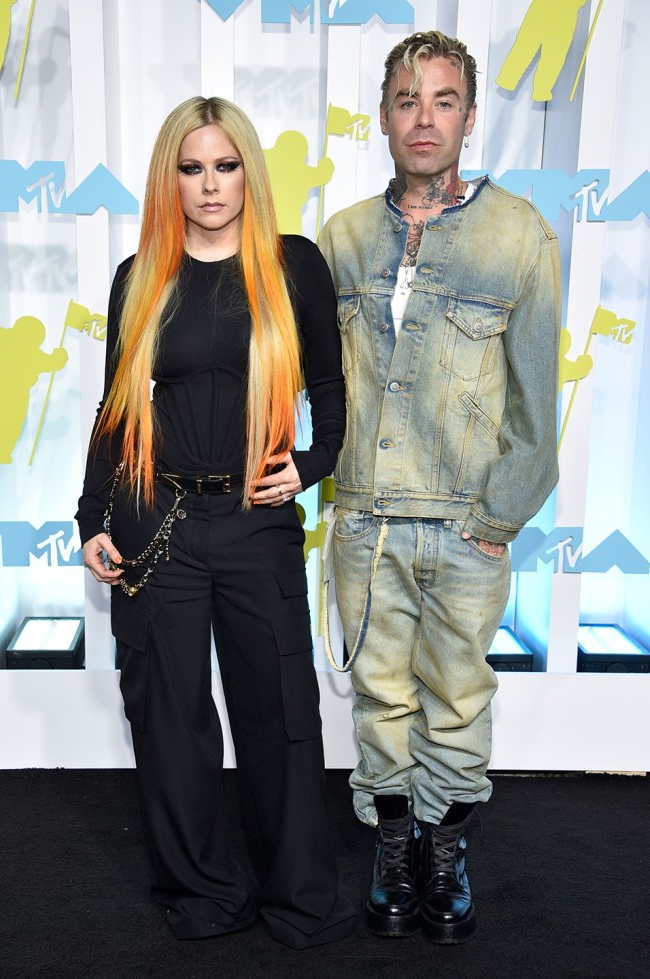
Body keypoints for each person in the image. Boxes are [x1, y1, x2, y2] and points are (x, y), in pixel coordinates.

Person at [76, 96, 356, 950]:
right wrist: (91, 515)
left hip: (254, 519)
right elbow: (117, 407)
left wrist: (312, 463)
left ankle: (297, 895)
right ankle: (202, 892)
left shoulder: (292, 265)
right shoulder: (140, 276)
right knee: (170, 719)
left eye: (225, 166)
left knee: (280, 709)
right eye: (191, 168)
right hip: (154, 518)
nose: (209, 185)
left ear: (247, 173)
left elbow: (331, 388)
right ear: (171, 178)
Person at [318, 30, 560, 944]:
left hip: (466, 525)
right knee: (381, 698)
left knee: (458, 697)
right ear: (383, 117)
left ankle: (445, 849)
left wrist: (498, 517)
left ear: (469, 116)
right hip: (367, 519)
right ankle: (394, 848)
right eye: (407, 100)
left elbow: (536, 400)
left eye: (444, 100)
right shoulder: (342, 239)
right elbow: (315, 382)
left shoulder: (520, 235)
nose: (425, 118)